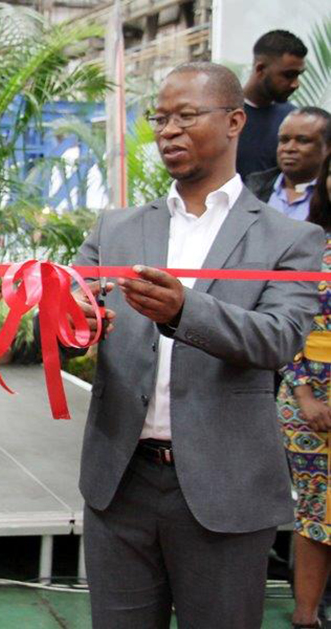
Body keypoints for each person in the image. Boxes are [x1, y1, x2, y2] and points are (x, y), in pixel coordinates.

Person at [72, 62, 323, 628]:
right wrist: (67, 320)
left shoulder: (291, 239)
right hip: (120, 483)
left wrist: (185, 310)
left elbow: (279, 338)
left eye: (186, 116)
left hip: (226, 487)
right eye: (160, 118)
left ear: (234, 121)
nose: (168, 131)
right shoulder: (115, 229)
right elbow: (72, 315)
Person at [279, 150, 331, 629]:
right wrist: (304, 394)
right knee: (316, 513)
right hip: (311, 403)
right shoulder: (309, 246)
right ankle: (305, 617)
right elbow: (286, 324)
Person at [238, 30, 308, 179]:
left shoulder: (294, 120)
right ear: (260, 69)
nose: (295, 84)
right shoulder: (223, 115)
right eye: (288, 75)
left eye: (298, 75)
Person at [247, 107, 331, 219]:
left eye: (303, 140)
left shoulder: (327, 196)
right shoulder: (253, 187)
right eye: (284, 140)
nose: (289, 148)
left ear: (328, 147)